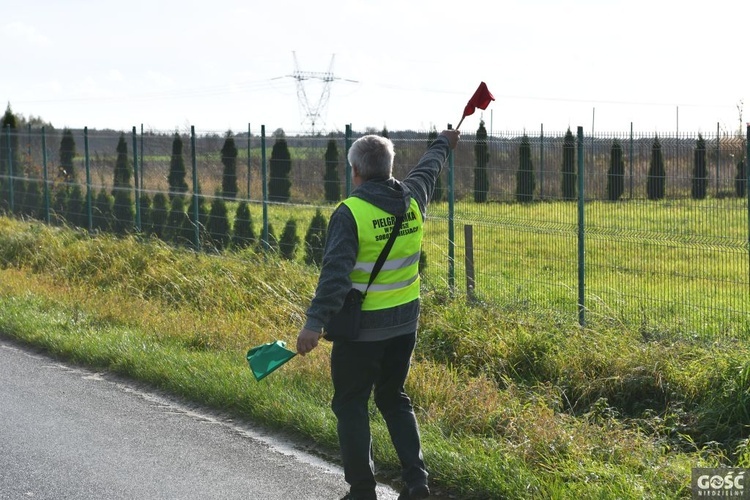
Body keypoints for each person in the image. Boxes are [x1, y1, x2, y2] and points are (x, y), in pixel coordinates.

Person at [296, 129, 460, 500]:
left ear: (355, 171)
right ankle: (417, 484)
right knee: (393, 398)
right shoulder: (412, 197)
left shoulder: (350, 212)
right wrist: (442, 145)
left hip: (362, 332)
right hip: (404, 325)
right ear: (389, 167)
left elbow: (335, 275)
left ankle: (362, 490)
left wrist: (314, 323)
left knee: (351, 403)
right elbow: (428, 170)